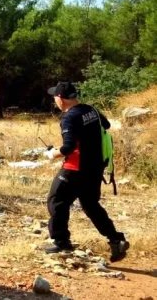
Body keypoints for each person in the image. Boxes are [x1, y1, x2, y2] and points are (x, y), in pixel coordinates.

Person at [42, 81, 129, 261]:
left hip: (75, 168)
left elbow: (68, 147)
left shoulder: (69, 117)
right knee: (90, 205)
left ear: (61, 99)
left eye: (55, 97)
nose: (54, 101)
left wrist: (52, 154)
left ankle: (61, 242)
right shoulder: (91, 110)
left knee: (56, 200)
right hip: (95, 167)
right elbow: (106, 125)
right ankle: (116, 239)